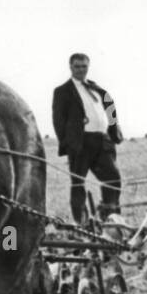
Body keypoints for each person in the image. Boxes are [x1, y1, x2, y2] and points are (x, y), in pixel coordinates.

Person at [52, 53, 123, 222]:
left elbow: (110, 107)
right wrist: (69, 143)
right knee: (78, 183)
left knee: (113, 179)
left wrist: (114, 129)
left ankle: (110, 220)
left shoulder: (97, 89)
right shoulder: (63, 91)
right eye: (77, 66)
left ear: (88, 67)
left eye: (84, 66)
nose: (81, 70)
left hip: (102, 141)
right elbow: (58, 120)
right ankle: (82, 224)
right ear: (70, 67)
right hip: (80, 143)